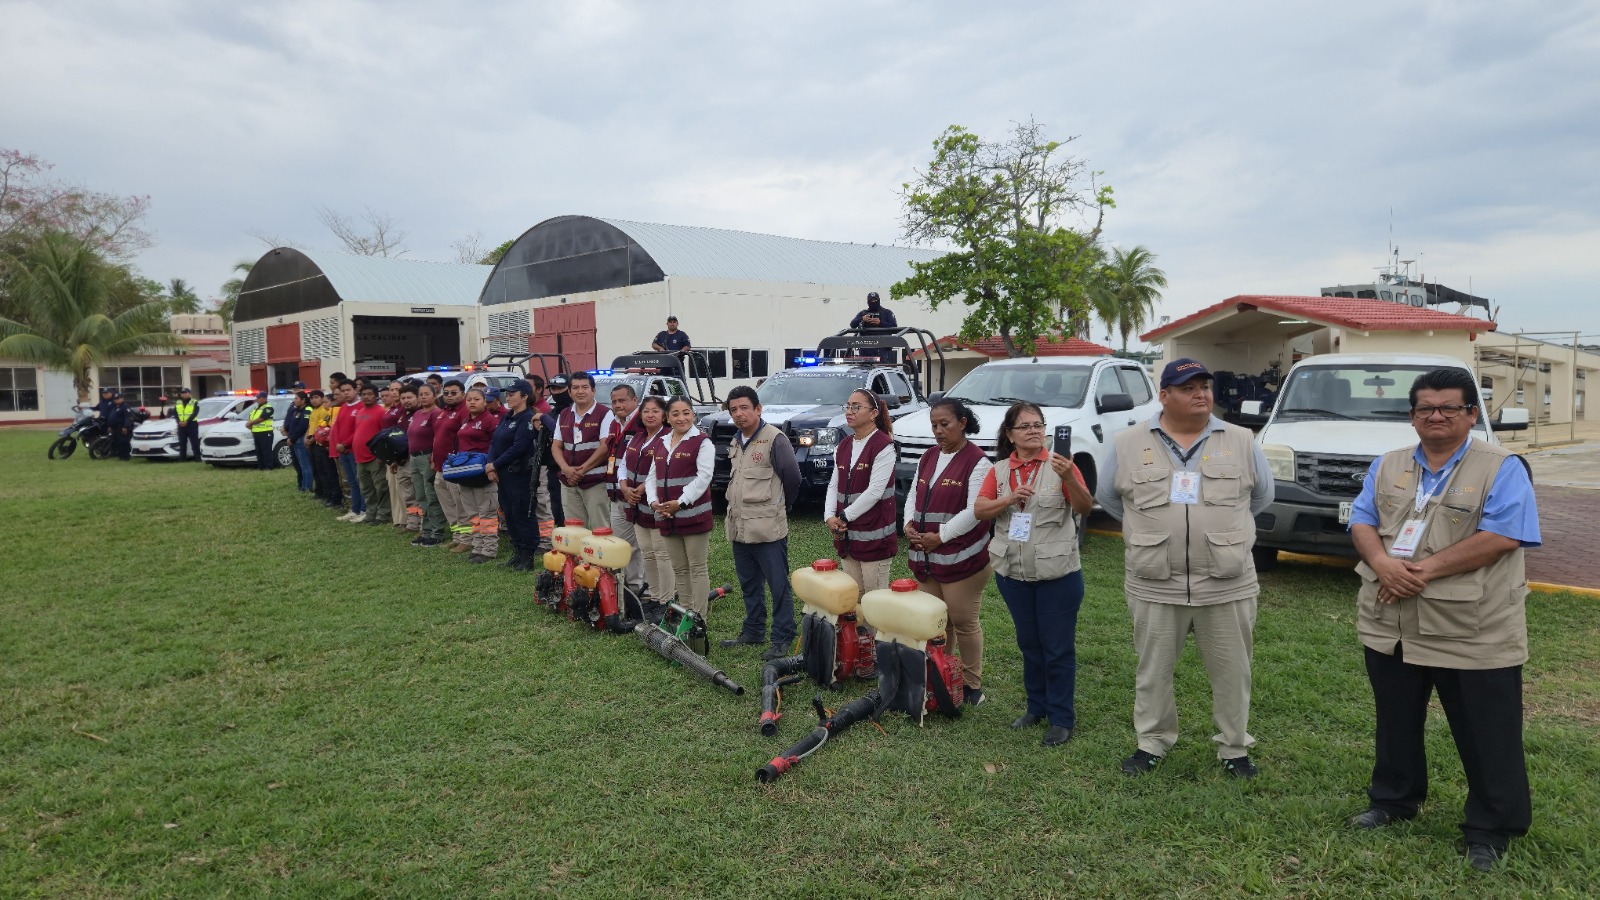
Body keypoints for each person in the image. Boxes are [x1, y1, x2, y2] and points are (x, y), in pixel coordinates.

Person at [1345, 369, 1541, 872]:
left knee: (1486, 729)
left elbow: (1506, 534)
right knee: (1395, 720)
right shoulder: (1388, 465)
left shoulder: (1502, 466)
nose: (1435, 416)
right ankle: (1393, 801)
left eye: (1449, 408)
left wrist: (1420, 570)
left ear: (1471, 414)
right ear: (1412, 416)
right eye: (1425, 408)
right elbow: (1362, 520)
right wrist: (1385, 565)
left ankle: (1491, 828)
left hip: (1472, 626)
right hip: (1392, 621)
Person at [1096, 358, 1274, 779]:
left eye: (1205, 386)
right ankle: (1152, 742)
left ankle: (1234, 749)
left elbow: (1261, 498)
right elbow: (1110, 499)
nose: (1201, 394)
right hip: (1155, 581)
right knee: (1152, 670)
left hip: (1226, 582)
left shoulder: (1242, 440)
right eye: (1188, 387)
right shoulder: (1126, 443)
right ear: (1164, 396)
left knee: (1233, 673)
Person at [975, 402, 1095, 744]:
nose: (1033, 430)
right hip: (1013, 574)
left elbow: (1085, 507)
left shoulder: (1061, 466)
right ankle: (1036, 707)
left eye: (1038, 424)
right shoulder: (999, 471)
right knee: (1029, 644)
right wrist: (1010, 499)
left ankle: (1061, 718)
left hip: (1058, 574)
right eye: (1024, 426)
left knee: (1057, 647)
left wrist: (1070, 475)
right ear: (1010, 436)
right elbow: (980, 510)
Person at [907, 399, 998, 710]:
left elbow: (975, 511)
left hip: (963, 559)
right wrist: (908, 522)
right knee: (935, 620)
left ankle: (972, 684)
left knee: (963, 620)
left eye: (944, 424)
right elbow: (914, 494)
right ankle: (941, 670)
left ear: (962, 422)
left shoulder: (977, 462)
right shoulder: (929, 456)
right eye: (934, 425)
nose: (938, 431)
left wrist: (941, 536)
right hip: (928, 556)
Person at [719, 385, 803, 661]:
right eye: (734, 410)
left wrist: (781, 508)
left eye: (745, 408)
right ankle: (753, 630)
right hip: (740, 528)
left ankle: (782, 636)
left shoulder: (774, 439)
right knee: (749, 583)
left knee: (777, 584)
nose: (739, 414)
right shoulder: (736, 441)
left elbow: (792, 478)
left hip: (767, 528)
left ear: (758, 409)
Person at [645, 397, 715, 617]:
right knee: (680, 569)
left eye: (686, 412)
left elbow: (704, 478)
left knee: (697, 568)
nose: (681, 418)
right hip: (666, 516)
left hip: (693, 516)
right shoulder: (661, 442)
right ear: (667, 417)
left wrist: (680, 503)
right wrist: (653, 502)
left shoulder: (702, 442)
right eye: (675, 413)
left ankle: (700, 619)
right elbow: (651, 476)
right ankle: (686, 612)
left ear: (693, 414)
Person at [824, 389, 899, 594]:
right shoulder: (843, 446)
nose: (850, 411)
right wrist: (829, 516)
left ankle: (872, 629)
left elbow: (875, 491)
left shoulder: (884, 446)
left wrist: (843, 516)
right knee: (853, 599)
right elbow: (834, 485)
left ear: (874, 413)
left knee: (874, 602)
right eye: (847, 406)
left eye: (856, 407)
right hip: (847, 537)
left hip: (874, 537)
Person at [619, 396, 672, 613]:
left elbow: (661, 471)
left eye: (655, 411)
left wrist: (639, 490)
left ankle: (666, 600)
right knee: (647, 553)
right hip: (635, 505)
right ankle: (654, 595)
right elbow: (623, 464)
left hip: (655, 503)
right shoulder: (637, 437)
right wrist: (624, 487)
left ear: (664, 415)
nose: (650, 415)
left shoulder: (668, 438)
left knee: (661, 554)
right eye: (646, 411)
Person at [487, 379, 543, 570]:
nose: (508, 397)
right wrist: (491, 465)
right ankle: (517, 551)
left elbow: (519, 447)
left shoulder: (527, 418)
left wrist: (495, 463)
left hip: (520, 474)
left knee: (522, 514)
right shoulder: (507, 417)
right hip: (503, 475)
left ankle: (528, 556)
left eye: (512, 394)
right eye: (507, 394)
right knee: (509, 513)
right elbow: (494, 442)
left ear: (525, 396)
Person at [604, 384, 650, 595]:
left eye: (622, 400)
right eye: (614, 401)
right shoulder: (615, 424)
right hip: (617, 492)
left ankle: (649, 590)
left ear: (634, 401)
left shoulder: (642, 423)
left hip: (640, 495)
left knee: (647, 546)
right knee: (624, 545)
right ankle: (632, 590)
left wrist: (640, 488)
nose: (617, 405)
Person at [554, 372, 616, 530]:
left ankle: (599, 556)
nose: (580, 391)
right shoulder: (564, 414)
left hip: (595, 481)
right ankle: (577, 556)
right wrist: (566, 469)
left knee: (599, 527)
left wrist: (582, 470)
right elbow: (556, 446)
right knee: (574, 529)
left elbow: (604, 447)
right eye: (575, 388)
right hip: (568, 481)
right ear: (569, 392)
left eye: (584, 387)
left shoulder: (604, 413)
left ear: (593, 391)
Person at [455, 386, 502, 562]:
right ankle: (477, 547)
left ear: (485, 402)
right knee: (473, 514)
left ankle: (489, 550)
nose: (472, 402)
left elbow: (497, 445)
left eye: (476, 399)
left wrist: (492, 467)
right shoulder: (466, 420)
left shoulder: (489, 420)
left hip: (483, 474)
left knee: (487, 514)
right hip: (465, 475)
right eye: (469, 399)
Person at [432, 380, 474, 553]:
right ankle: (456, 537)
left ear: (463, 394)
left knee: (460, 505)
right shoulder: (444, 412)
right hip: (440, 467)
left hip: (455, 467)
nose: (449, 396)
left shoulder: (464, 411)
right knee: (448, 505)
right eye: (446, 393)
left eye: (453, 393)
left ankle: (466, 539)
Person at [405, 383, 447, 547]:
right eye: (420, 394)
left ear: (435, 395)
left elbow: (439, 437)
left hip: (427, 457)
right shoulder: (417, 414)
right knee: (420, 495)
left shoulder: (436, 414)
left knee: (431, 495)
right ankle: (427, 530)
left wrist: (434, 458)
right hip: (414, 458)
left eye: (426, 394)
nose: (423, 397)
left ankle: (437, 532)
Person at [350, 384, 391, 525]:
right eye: (364, 394)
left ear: (376, 395)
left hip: (375, 457)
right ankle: (371, 513)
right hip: (360, 457)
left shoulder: (381, 412)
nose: (366, 397)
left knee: (380, 487)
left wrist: (382, 455)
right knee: (366, 488)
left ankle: (384, 515)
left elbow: (384, 435)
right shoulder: (360, 411)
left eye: (369, 394)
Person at [331, 380, 366, 522]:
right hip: (343, 451)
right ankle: (355, 509)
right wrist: (339, 444)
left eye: (348, 390)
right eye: (343, 390)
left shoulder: (361, 407)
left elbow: (359, 430)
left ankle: (364, 510)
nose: (346, 393)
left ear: (355, 390)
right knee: (351, 481)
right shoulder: (343, 407)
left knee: (360, 481)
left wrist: (345, 444)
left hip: (353, 450)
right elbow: (338, 428)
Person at [386, 384, 419, 530]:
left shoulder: (421, 414)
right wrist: (394, 460)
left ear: (417, 398)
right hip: (401, 461)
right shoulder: (402, 416)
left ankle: (424, 525)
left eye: (410, 397)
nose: (406, 400)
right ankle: (412, 523)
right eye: (403, 398)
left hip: (416, 459)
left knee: (420, 495)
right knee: (408, 495)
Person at [306, 390, 342, 508]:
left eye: (326, 402)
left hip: (325, 445)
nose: (325, 404)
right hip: (316, 443)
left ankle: (333, 497)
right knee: (320, 470)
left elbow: (326, 430)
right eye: (311, 398)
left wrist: (314, 439)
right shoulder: (321, 412)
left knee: (329, 472)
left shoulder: (331, 412)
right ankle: (324, 493)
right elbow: (315, 428)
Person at [285, 391, 312, 491]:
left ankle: (307, 487)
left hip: (300, 440)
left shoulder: (307, 410)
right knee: (301, 465)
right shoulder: (297, 410)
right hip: (295, 440)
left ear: (303, 400)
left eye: (296, 398)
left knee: (306, 465)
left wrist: (292, 438)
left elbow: (302, 426)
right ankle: (303, 485)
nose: (294, 400)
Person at [247, 391, 276, 470]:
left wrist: (250, 423)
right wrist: (249, 423)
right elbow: (250, 417)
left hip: (265, 432)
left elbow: (262, 418)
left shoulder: (268, 408)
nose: (256, 399)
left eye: (258, 398)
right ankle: (261, 467)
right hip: (256, 432)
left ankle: (269, 467)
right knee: (259, 451)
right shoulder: (256, 408)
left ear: (263, 398)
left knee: (266, 451)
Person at [172, 387, 201, 461]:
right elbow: (175, 413)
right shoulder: (178, 402)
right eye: (182, 393)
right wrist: (178, 421)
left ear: (189, 393)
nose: (184, 394)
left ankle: (197, 458)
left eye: (186, 393)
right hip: (181, 425)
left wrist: (187, 421)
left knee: (194, 442)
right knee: (182, 443)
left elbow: (195, 413)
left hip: (192, 424)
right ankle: (182, 459)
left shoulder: (194, 402)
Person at [107, 392, 132, 460]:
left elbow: (127, 417)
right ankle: (120, 455)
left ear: (122, 398)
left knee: (123, 442)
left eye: (118, 398)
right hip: (114, 428)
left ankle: (125, 456)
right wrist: (110, 426)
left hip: (122, 427)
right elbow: (112, 417)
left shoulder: (125, 406)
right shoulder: (115, 407)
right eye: (114, 399)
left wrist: (125, 426)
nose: (116, 400)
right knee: (117, 442)